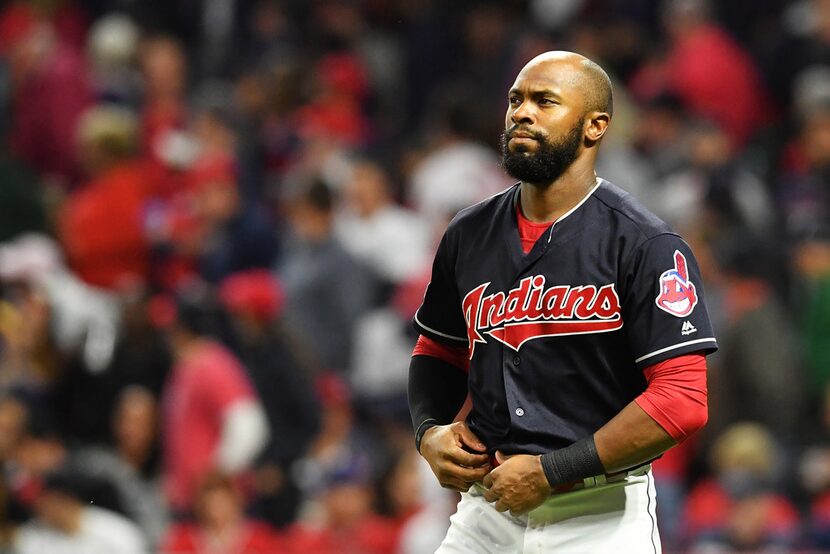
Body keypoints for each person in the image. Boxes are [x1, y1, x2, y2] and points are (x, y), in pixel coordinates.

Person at [407, 51, 718, 553]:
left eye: (544, 101)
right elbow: (438, 350)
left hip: (599, 512)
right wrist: (427, 431)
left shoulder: (644, 243)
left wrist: (554, 471)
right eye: (516, 100)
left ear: (595, 126)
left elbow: (682, 400)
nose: (521, 113)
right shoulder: (468, 232)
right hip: (489, 509)